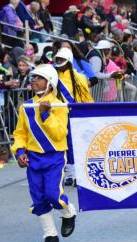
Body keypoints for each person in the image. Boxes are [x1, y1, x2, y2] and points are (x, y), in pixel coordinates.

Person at [11, 64, 77, 242]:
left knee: (53, 194)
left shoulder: (58, 105)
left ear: (49, 83)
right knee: (38, 198)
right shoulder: (26, 106)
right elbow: (20, 133)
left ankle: (68, 212)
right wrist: (20, 152)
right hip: (33, 158)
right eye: (33, 78)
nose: (33, 80)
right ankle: (50, 235)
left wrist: (46, 113)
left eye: (39, 78)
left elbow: (59, 133)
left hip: (54, 156)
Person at [53, 48, 94, 187]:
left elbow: (86, 97)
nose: (59, 62)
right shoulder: (53, 77)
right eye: (57, 60)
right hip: (58, 115)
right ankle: (68, 173)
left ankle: (77, 173)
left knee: (76, 144)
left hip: (76, 114)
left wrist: (90, 112)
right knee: (62, 145)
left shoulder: (80, 78)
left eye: (62, 60)